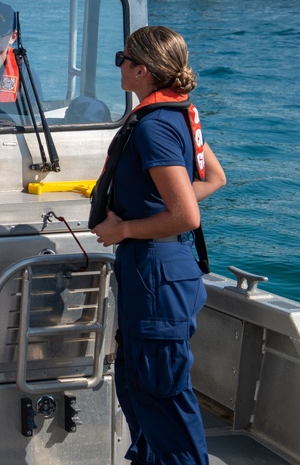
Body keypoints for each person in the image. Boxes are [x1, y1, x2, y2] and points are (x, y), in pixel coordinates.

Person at [90, 25, 226, 465]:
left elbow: (187, 215)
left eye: (122, 60)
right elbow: (212, 179)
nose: (120, 66)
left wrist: (125, 230)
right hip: (157, 268)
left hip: (155, 270)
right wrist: (157, 205)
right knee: (136, 382)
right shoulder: (177, 115)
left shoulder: (155, 128)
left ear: (142, 71)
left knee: (161, 389)